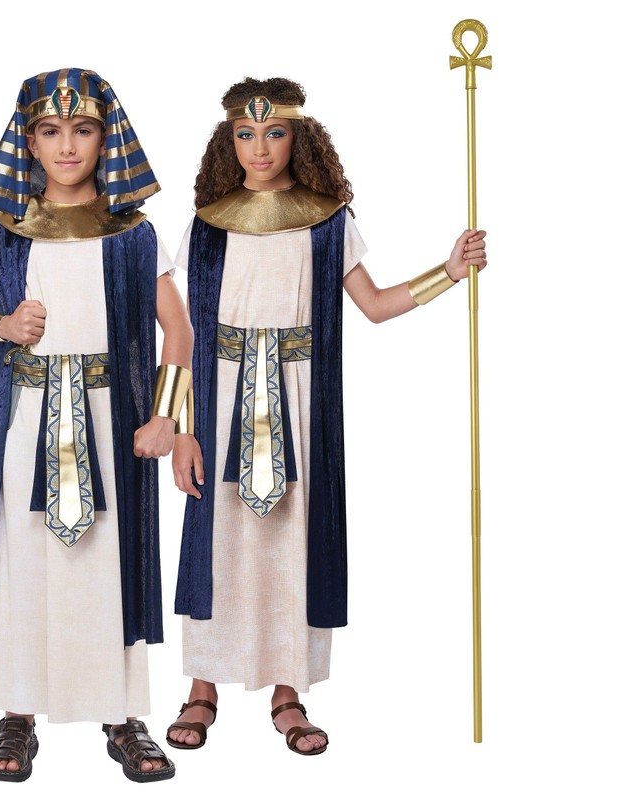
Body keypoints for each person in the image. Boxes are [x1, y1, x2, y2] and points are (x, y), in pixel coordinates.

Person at [166, 77, 487, 757]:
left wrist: (449, 272)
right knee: (219, 542)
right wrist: (184, 430)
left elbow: (374, 305)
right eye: (246, 135)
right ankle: (202, 685)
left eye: (274, 133)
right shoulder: (210, 223)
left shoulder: (326, 221)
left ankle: (288, 692)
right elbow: (187, 334)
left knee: (293, 542)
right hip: (222, 401)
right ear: (229, 142)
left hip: (301, 400)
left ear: (299, 138)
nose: (259, 148)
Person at [0, 67, 192, 783]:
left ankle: (123, 714)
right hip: (27, 424)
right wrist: (3, 324)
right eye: (51, 132)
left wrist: (164, 414)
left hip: (109, 422)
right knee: (25, 562)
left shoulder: (132, 233)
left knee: (107, 563)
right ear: (28, 142)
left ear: (104, 139)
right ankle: (17, 714)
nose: (67, 146)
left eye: (82, 130)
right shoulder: (4, 233)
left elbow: (178, 330)